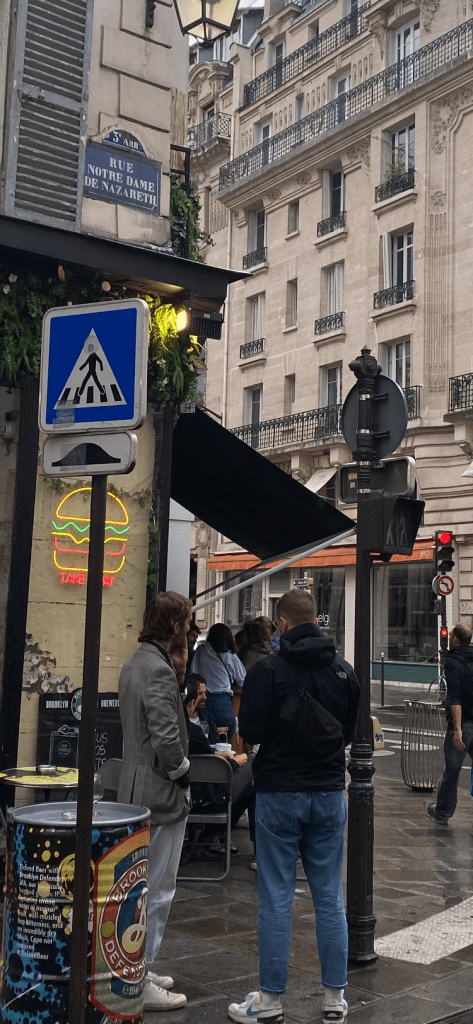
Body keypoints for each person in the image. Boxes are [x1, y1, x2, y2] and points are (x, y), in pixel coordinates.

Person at [228, 590, 360, 1024]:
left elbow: (248, 729)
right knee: (329, 897)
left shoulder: (268, 671)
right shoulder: (344, 672)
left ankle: (268, 1001)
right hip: (326, 793)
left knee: (276, 898)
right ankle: (334, 999)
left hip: (279, 794)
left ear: (282, 623)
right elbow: (349, 731)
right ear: (313, 623)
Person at [117, 591, 193, 1012]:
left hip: (133, 788)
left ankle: (136, 965)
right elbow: (166, 740)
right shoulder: (160, 671)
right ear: (175, 625)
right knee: (158, 887)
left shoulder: (134, 662)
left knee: (137, 885)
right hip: (160, 793)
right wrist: (184, 776)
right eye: (186, 621)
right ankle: (140, 973)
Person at [427, 622, 473, 824]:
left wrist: (457, 729)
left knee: (452, 772)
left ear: (455, 639)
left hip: (464, 724)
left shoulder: (453, 662)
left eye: (450, 635)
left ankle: (443, 811)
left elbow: (455, 698)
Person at [191, 623, 245, 739]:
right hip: (223, 705)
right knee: (226, 740)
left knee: (205, 738)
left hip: (202, 702)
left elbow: (193, 673)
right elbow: (243, 680)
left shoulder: (201, 651)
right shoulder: (231, 656)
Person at [185, 673, 220, 745]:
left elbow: (215, 741)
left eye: (205, 693)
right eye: (200, 693)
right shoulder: (179, 720)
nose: (204, 697)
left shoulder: (208, 718)